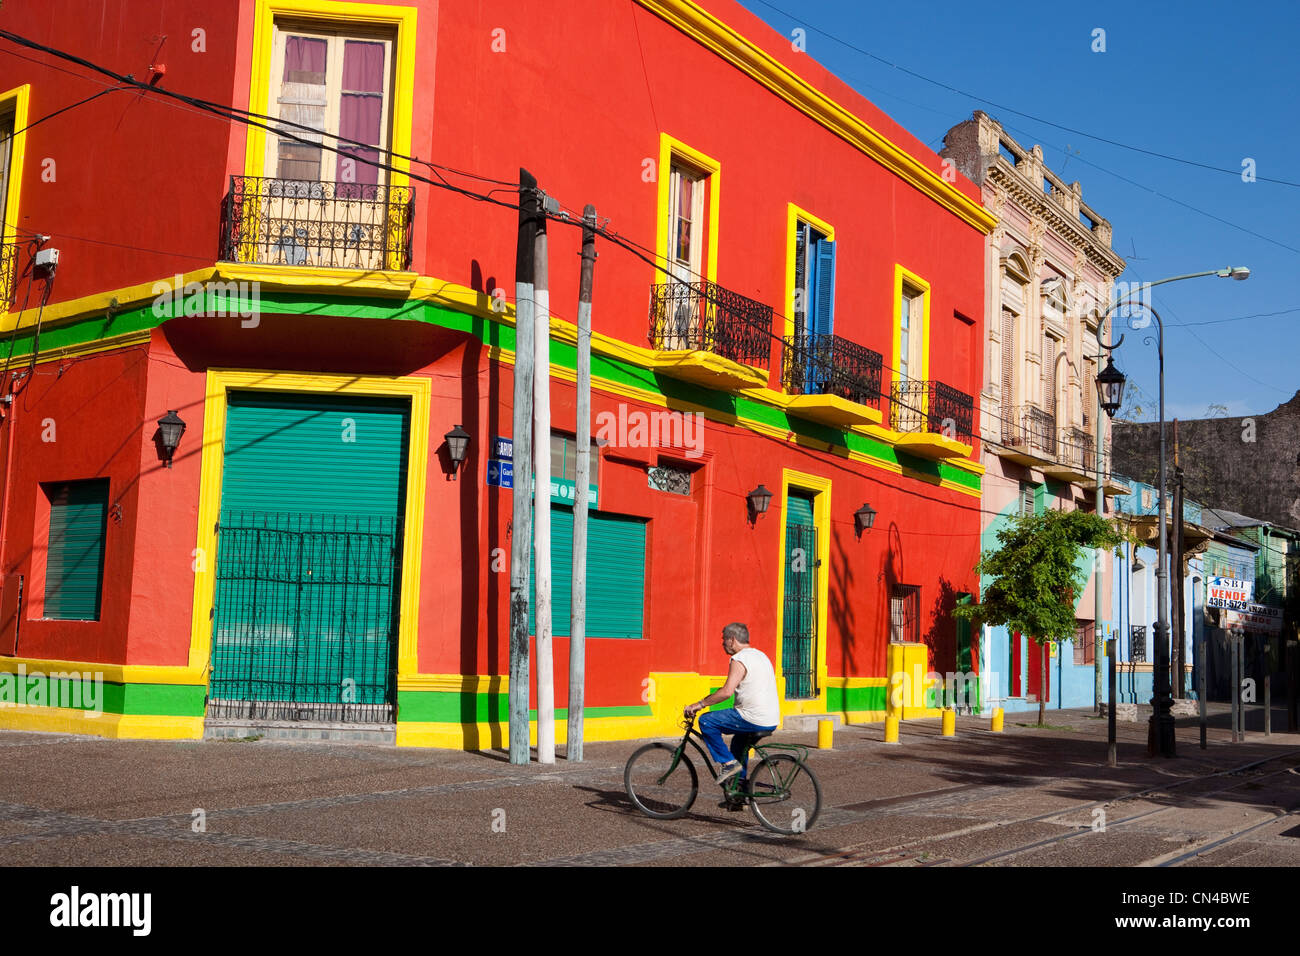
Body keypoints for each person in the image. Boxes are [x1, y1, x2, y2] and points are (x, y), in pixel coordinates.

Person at [684, 622, 779, 787]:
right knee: (738, 743)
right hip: (770, 719)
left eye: (724, 639)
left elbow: (727, 692)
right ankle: (739, 788)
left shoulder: (740, 658)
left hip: (752, 717)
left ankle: (729, 765)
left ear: (732, 640)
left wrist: (700, 704)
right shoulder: (761, 655)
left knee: (707, 721)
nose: (722, 643)